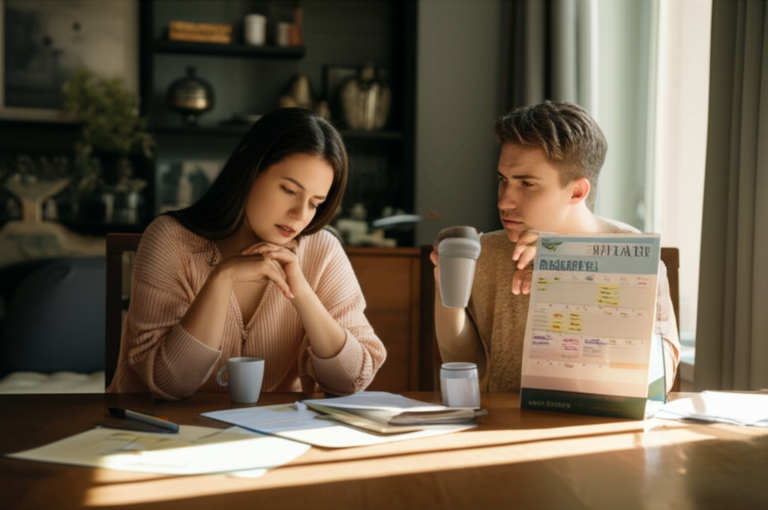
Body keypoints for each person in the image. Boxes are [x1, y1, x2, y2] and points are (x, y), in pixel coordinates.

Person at [108, 108, 386, 400]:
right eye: (289, 190)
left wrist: (303, 294)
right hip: (163, 434)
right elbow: (168, 384)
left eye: (315, 203)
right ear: (250, 172)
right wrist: (222, 277)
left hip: (273, 437)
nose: (299, 214)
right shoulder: (170, 239)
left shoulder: (323, 251)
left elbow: (352, 380)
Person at [431, 100, 680, 393]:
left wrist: (564, 281)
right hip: (506, 428)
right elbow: (468, 362)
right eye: (503, 180)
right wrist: (446, 288)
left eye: (526, 184)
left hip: (600, 433)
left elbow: (657, 382)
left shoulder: (633, 254)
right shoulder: (485, 252)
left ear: (576, 191)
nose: (503, 201)